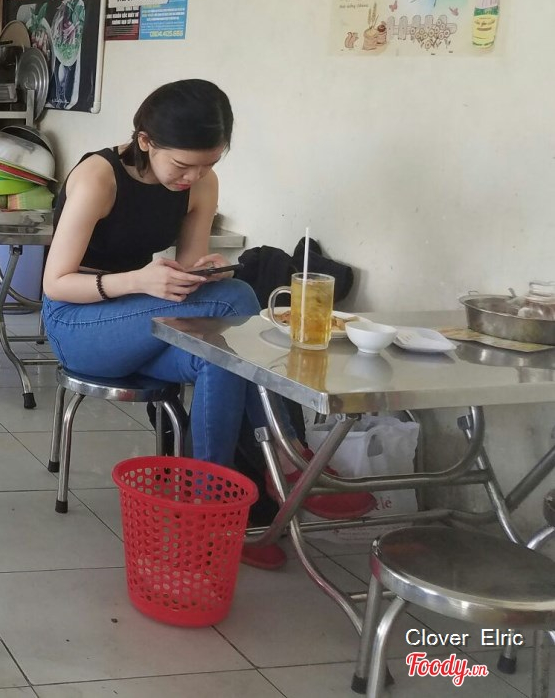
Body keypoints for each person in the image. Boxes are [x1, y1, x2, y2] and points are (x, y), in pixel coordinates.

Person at [41, 79, 371, 569]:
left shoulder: (200, 183)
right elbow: (55, 283)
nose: (193, 176)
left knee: (222, 355)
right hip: (79, 323)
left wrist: (203, 273)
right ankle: (291, 459)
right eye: (182, 165)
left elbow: (191, 279)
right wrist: (139, 280)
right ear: (145, 141)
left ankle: (213, 514)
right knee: (235, 301)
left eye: (208, 164)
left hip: (145, 318)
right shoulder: (98, 178)